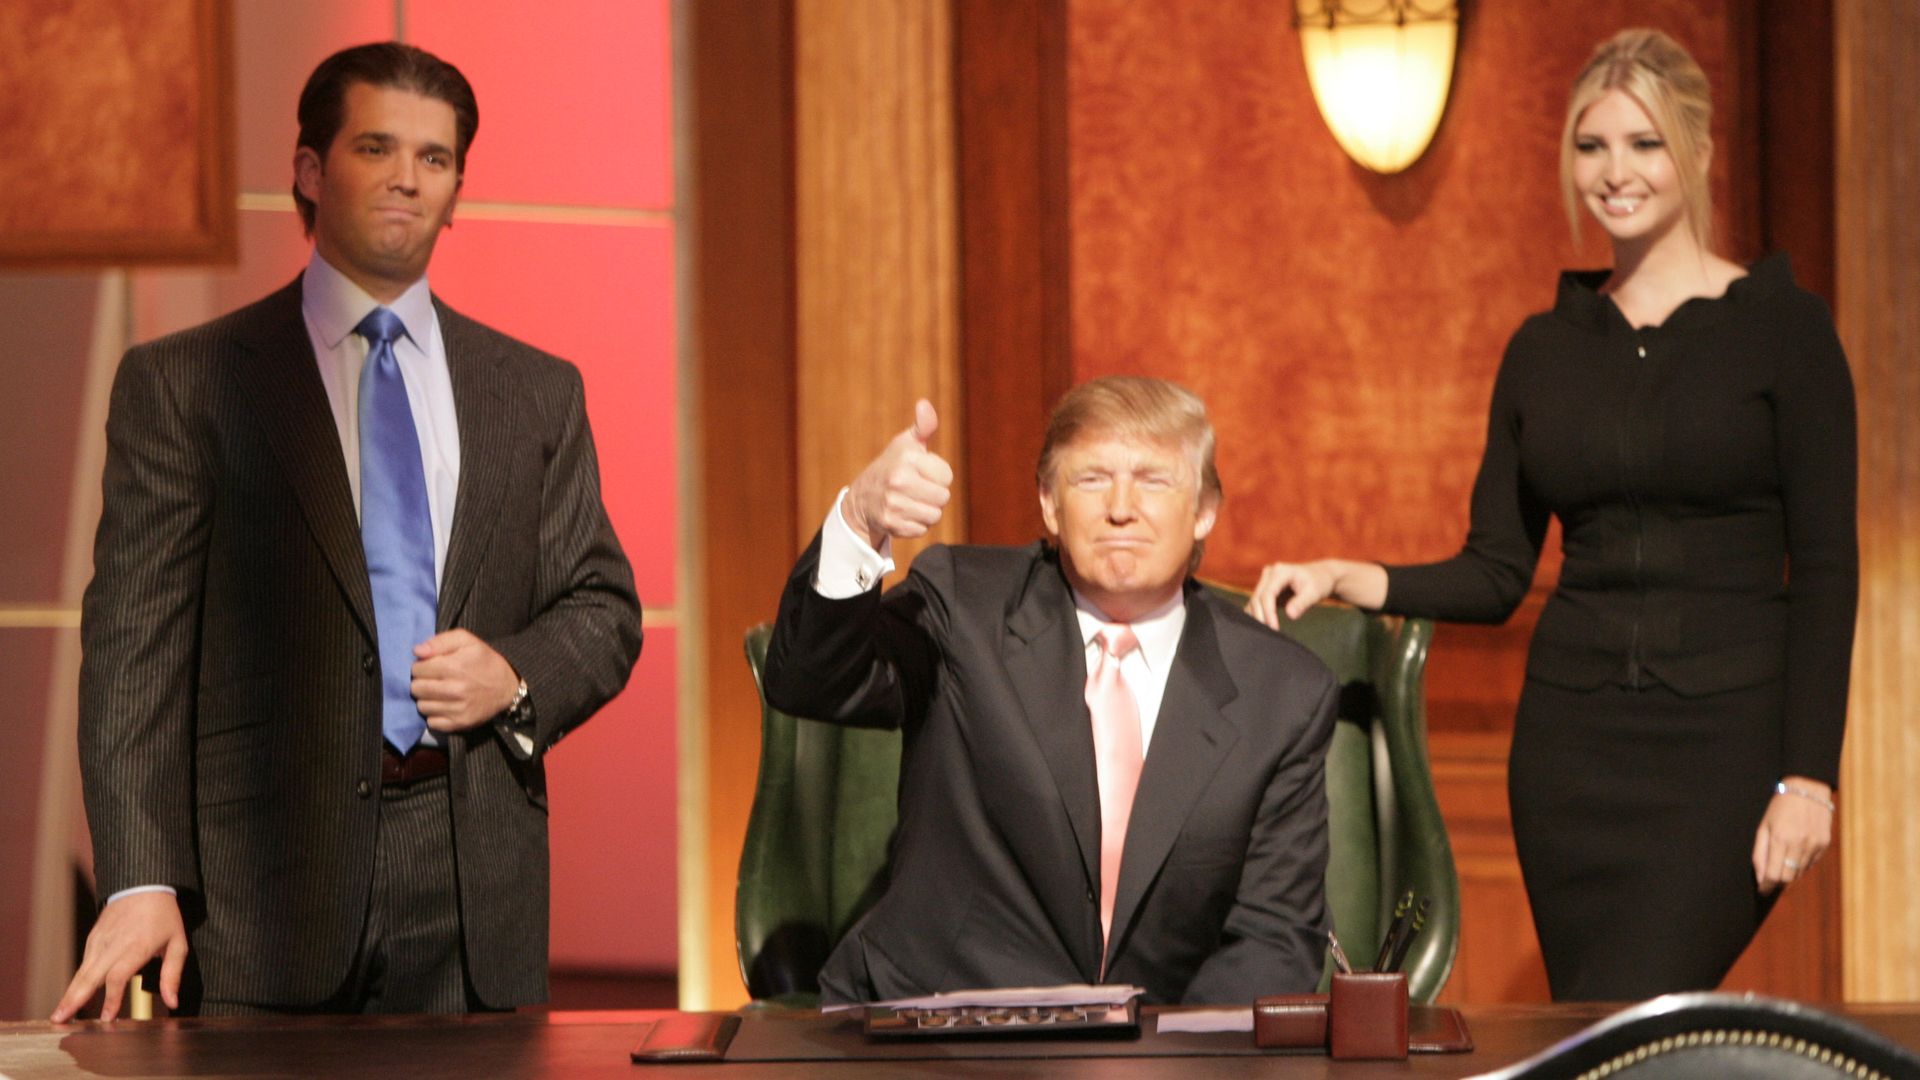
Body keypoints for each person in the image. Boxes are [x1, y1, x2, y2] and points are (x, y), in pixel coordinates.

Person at [1247, 29, 1856, 1001]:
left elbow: (1827, 569)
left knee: (1630, 1015)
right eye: (1592, 145)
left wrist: (1808, 778)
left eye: (1644, 143)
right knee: (1608, 1026)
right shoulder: (1543, 349)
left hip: (1728, 751)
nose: (1615, 171)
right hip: (1571, 758)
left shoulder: (1785, 333)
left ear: (1698, 152)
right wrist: (1343, 574)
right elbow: (1494, 572)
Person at [53, 42, 643, 1020]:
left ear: (457, 189)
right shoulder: (191, 384)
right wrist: (139, 877)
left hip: (474, 885)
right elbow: (133, 648)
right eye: (377, 148)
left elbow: (604, 604)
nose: (409, 179)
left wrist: (515, 671)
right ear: (310, 171)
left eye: (436, 159)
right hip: (264, 896)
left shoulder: (536, 392)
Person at [763, 377, 1337, 1006]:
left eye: (1154, 480)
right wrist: (859, 517)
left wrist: (1174, 1063)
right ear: (1049, 505)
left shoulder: (1283, 692)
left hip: (1162, 1056)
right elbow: (807, 681)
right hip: (938, 1042)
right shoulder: (965, 604)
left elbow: (1275, 940)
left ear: (1204, 510)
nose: (1122, 506)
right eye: (1091, 479)